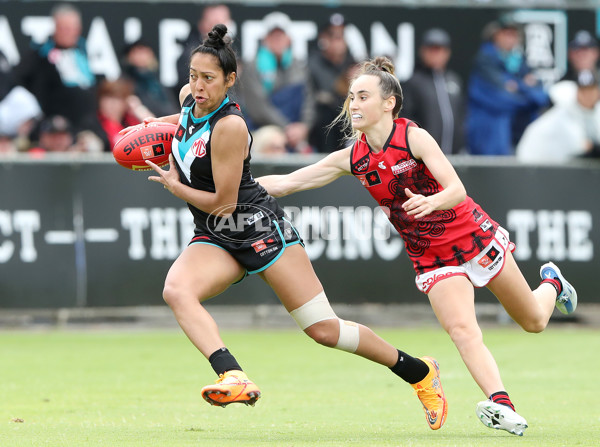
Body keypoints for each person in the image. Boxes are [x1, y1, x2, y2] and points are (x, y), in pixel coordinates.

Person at [130, 24, 448, 431]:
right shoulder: (188, 101)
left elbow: (225, 202)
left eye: (208, 78)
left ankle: (419, 372)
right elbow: (185, 124)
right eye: (193, 75)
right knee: (176, 289)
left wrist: (177, 187)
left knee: (324, 329)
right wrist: (155, 125)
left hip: (259, 229)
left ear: (230, 80)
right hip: (215, 233)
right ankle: (233, 375)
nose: (197, 86)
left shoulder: (231, 127)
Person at [256, 56, 577, 437]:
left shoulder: (414, 137)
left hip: (472, 236)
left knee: (534, 321)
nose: (354, 105)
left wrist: (432, 201)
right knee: (462, 329)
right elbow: (289, 182)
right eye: (352, 98)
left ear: (388, 102)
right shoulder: (353, 157)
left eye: (363, 97)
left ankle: (552, 284)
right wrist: (226, 186)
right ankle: (501, 402)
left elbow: (457, 189)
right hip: (431, 255)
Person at [466, 16, 549, 155]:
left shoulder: (521, 62)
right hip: (489, 142)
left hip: (518, 138)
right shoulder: (485, 61)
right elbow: (501, 99)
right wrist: (526, 89)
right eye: (505, 33)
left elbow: (542, 97)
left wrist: (518, 87)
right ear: (495, 35)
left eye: (513, 34)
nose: (509, 38)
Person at [237, 12, 314, 153]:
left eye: (281, 35)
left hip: (297, 133)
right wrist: (286, 128)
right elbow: (258, 107)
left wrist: (304, 127)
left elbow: (308, 101)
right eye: (273, 35)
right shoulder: (253, 67)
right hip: (262, 129)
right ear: (265, 39)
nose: (277, 39)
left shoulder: (299, 67)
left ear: (288, 39)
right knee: (275, 143)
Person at [15, 3, 96, 132]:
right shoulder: (39, 54)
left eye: (73, 28)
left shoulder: (82, 52)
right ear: (55, 28)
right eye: (65, 28)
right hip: (56, 127)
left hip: (86, 122)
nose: (70, 33)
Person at [401, 28, 465, 155]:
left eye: (439, 49)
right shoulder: (413, 82)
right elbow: (406, 121)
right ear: (422, 51)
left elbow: (462, 115)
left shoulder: (454, 80)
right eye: (431, 49)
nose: (435, 54)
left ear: (447, 53)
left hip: (454, 157)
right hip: (423, 159)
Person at [517, 69, 600, 162]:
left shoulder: (597, 111)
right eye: (583, 91)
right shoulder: (565, 111)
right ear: (576, 92)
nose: (588, 95)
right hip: (539, 165)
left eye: (591, 90)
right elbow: (581, 146)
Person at [307, 13, 356, 153]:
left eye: (341, 36)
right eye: (333, 36)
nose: (337, 41)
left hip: (348, 120)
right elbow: (317, 96)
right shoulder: (314, 64)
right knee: (327, 114)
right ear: (324, 38)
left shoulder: (352, 62)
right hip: (322, 127)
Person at [175, 4, 234, 90]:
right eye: (215, 23)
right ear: (202, 24)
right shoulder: (191, 56)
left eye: (224, 23)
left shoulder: (229, 53)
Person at [122, 39, 180, 118]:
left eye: (145, 52)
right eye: (137, 52)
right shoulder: (126, 82)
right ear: (130, 56)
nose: (142, 56)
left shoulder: (156, 80)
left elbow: (170, 106)